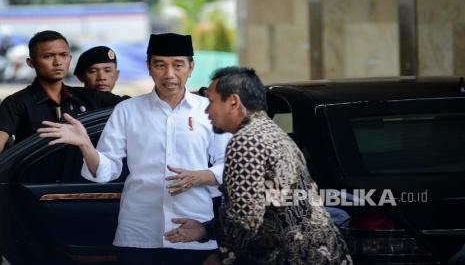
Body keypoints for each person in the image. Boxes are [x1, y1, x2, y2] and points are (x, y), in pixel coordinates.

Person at [37, 33, 231, 265]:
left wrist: (203, 176)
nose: (169, 74)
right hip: (138, 235)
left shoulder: (208, 110)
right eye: (160, 65)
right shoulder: (127, 111)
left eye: (178, 65)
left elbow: (229, 166)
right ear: (149, 67)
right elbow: (107, 170)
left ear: (191, 67)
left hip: (194, 230)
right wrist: (86, 145)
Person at [164, 66, 353, 265]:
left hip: (292, 256)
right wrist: (205, 230)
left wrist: (221, 258)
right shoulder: (269, 131)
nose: (206, 110)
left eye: (211, 101)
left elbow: (245, 221)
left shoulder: (246, 141)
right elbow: (258, 205)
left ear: (234, 102)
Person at [0, 30, 123, 153]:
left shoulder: (90, 97)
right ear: (31, 63)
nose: (58, 62)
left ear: (69, 58)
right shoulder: (15, 104)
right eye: (48, 56)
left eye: (63, 55)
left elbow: (136, 105)